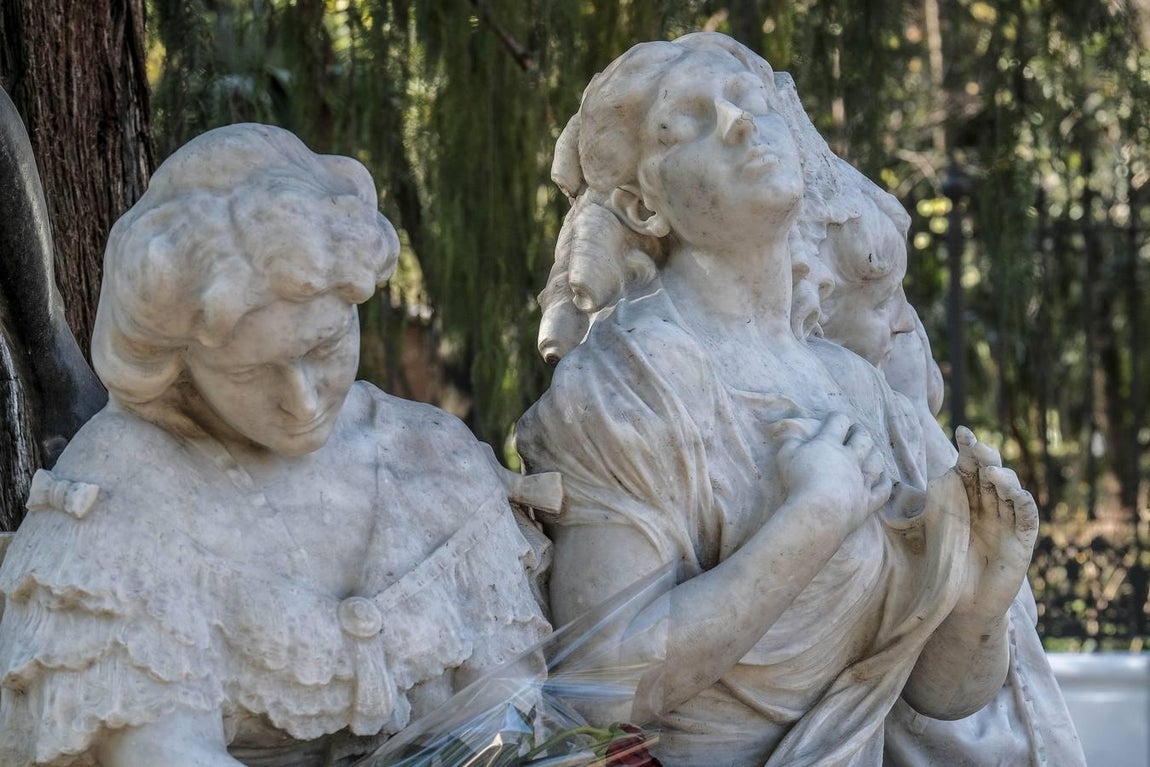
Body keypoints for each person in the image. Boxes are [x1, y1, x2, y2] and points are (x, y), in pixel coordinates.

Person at [517, 32, 1037, 766]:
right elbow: (605, 679)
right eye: (691, 118)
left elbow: (933, 693)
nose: (740, 122)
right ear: (641, 204)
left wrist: (980, 601)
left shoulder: (853, 386)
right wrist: (813, 517)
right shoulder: (626, 383)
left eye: (752, 103)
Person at [0, 124, 548, 767]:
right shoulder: (120, 492)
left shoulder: (435, 459)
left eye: (323, 348)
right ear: (179, 361)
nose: (305, 402)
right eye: (249, 372)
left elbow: (518, 719)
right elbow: (165, 751)